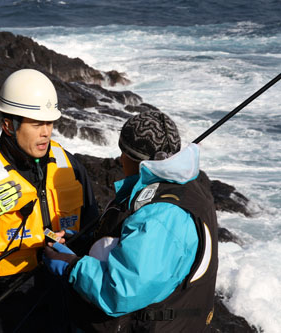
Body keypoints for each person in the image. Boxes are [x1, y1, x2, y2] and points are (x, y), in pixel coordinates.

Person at [0, 68, 99, 332]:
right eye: (36, 124)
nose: (46, 132)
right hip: (2, 303)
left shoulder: (69, 165)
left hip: (60, 295)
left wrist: (74, 240)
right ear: (8, 124)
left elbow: (94, 227)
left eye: (49, 123)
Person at [43, 110, 218, 332]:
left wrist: (71, 266)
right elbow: (135, 249)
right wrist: (81, 242)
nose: (119, 159)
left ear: (134, 159)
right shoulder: (188, 188)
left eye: (123, 152)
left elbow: (121, 291)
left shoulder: (160, 215)